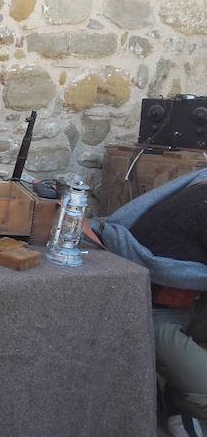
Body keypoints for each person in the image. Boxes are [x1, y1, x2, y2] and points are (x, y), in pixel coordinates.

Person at [93, 169, 207, 437]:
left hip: (195, 304)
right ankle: (178, 397)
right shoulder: (200, 204)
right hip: (151, 312)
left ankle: (175, 383)